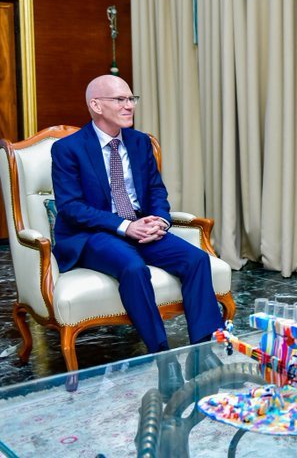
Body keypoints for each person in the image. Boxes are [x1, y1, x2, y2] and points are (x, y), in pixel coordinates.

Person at [51, 75, 223, 396]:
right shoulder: (68, 149)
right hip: (95, 234)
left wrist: (160, 220)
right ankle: (163, 358)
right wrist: (124, 226)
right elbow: (71, 208)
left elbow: (156, 190)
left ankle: (202, 351)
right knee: (132, 267)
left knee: (197, 259)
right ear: (96, 105)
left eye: (131, 99)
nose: (129, 105)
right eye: (120, 99)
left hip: (141, 226)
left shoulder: (140, 142)